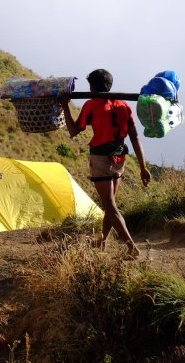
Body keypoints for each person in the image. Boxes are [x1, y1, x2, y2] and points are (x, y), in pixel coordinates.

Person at [60, 69, 151, 259]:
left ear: (93, 87)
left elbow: (73, 130)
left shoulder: (91, 105)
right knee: (111, 205)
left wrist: (65, 106)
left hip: (101, 160)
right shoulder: (124, 105)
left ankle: (131, 247)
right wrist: (143, 167)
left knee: (109, 206)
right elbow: (134, 138)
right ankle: (102, 240)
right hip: (119, 160)